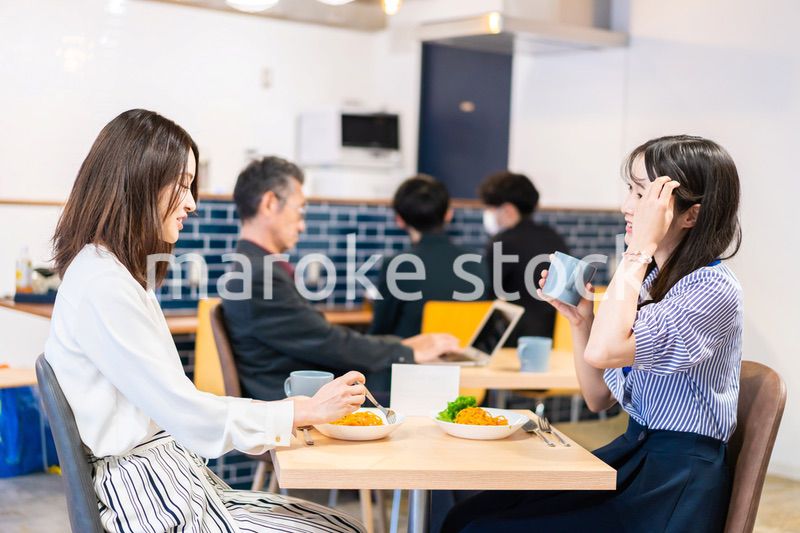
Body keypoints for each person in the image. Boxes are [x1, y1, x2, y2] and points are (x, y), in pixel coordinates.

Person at [45, 109, 367, 532]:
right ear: (138, 183)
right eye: (182, 187)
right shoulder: (103, 283)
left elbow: (182, 408)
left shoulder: (116, 272)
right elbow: (188, 414)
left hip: (170, 478)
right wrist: (299, 411)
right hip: (147, 496)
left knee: (336, 522)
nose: (192, 203)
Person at [442, 135, 743, 532]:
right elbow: (598, 397)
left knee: (480, 527)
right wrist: (580, 321)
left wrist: (637, 249)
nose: (626, 206)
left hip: (673, 480)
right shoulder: (652, 279)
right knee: (467, 513)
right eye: (631, 191)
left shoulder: (711, 289)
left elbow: (605, 353)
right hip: (637, 452)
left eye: (642, 195)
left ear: (690, 215)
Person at [223, 158, 459, 401]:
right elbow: (326, 342)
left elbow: (320, 338)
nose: (302, 226)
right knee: (431, 391)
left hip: (308, 393)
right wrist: (406, 351)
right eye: (300, 210)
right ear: (271, 203)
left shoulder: (254, 269)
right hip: (301, 402)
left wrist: (404, 348)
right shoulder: (258, 275)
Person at [369, 174, 488, 339]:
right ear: (448, 214)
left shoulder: (397, 265)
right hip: (468, 362)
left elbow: (380, 332)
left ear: (399, 220)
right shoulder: (478, 261)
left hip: (412, 362)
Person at [479, 171, 569, 345]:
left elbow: (488, 295)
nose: (488, 214)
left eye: (490, 209)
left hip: (515, 341)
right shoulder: (553, 236)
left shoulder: (502, 242)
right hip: (553, 339)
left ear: (508, 210)